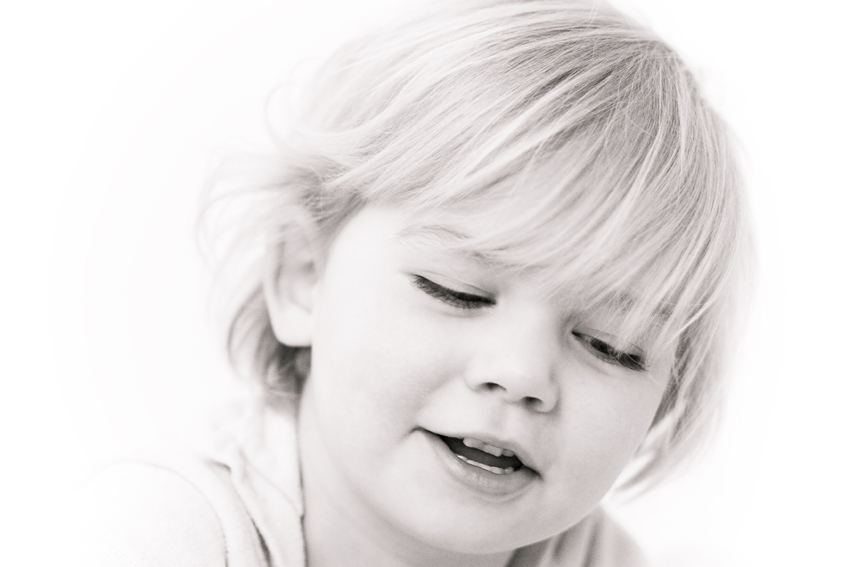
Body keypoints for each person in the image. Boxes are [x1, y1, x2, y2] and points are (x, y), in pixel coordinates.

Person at [68, 0, 751, 565]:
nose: (520, 374)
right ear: (305, 278)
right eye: (456, 290)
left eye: (610, 344)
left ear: (667, 397)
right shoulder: (161, 534)